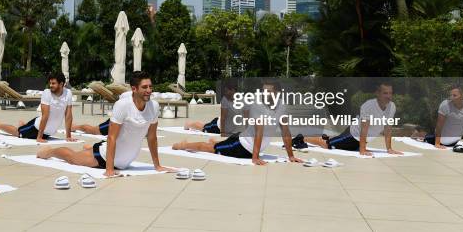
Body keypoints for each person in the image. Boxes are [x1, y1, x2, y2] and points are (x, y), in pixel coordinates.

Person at [36, 71, 175, 176]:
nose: (149, 90)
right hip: (103, 157)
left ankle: (89, 147)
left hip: (126, 161)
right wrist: (109, 169)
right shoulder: (122, 105)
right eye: (145, 87)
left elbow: (152, 138)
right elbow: (111, 137)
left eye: (150, 86)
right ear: (134, 89)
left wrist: (157, 166)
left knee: (91, 149)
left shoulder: (154, 106)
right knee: (72, 158)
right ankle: (50, 151)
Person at [172, 80, 303, 165]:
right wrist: (255, 157)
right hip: (241, 146)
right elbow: (259, 131)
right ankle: (183, 145)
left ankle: (216, 141)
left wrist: (291, 156)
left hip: (246, 140)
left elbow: (285, 131)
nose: (265, 94)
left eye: (269, 91)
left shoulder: (282, 106)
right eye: (263, 91)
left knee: (221, 143)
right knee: (210, 149)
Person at [297, 82, 403, 156]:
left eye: (390, 93)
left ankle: (327, 138)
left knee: (338, 143)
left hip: (362, 140)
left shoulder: (392, 106)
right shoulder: (368, 106)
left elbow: (388, 128)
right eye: (385, 93)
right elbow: (364, 129)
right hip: (352, 135)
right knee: (327, 145)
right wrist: (362, 150)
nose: (388, 96)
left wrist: (389, 149)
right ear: (377, 93)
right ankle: (303, 138)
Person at [0, 72, 75, 142]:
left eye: (53, 83)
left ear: (61, 84)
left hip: (49, 131)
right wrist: (39, 137)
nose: (50, 85)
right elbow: (45, 116)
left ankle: (22, 124)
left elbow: (68, 116)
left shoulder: (68, 93)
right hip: (36, 127)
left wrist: (68, 136)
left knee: (23, 129)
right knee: (18, 133)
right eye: (50, 83)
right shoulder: (47, 93)